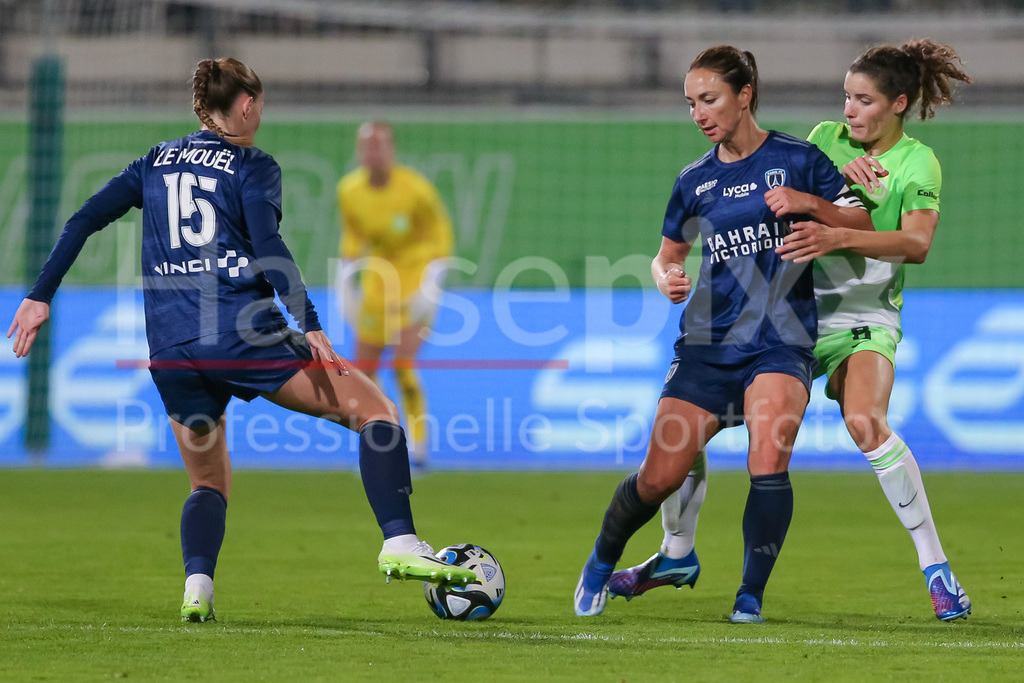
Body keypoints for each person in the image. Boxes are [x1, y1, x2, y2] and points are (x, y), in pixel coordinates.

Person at [7, 58, 474, 624]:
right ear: (247, 104)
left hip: (172, 346)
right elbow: (268, 245)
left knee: (208, 480)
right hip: (240, 333)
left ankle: (196, 590)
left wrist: (40, 295)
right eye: (261, 103)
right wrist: (310, 320)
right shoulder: (252, 165)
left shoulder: (156, 160)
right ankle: (400, 541)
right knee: (375, 411)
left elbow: (84, 217)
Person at [609, 39, 973, 622]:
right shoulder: (823, 141)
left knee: (865, 422)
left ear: (899, 104)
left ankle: (937, 569)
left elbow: (916, 244)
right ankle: (676, 553)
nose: (850, 111)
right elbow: (791, 191)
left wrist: (835, 229)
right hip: (791, 314)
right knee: (688, 425)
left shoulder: (917, 162)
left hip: (862, 315)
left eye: (864, 101)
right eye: (846, 98)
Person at [573, 45, 872, 623]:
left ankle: (749, 597)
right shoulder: (694, 182)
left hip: (780, 342)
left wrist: (810, 204)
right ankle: (601, 560)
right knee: (658, 479)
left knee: (768, 459)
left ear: (745, 95)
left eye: (708, 99)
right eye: (690, 103)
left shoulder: (798, 158)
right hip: (708, 347)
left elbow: (860, 221)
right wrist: (667, 277)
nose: (698, 113)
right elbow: (665, 257)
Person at [335, 122, 454, 468]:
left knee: (403, 364)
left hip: (415, 282)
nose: (374, 152)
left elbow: (440, 234)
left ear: (393, 150)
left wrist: (433, 280)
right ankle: (377, 443)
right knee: (363, 373)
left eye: (381, 145)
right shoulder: (349, 191)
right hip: (376, 283)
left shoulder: (416, 191)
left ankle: (418, 444)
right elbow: (353, 237)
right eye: (367, 146)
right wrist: (345, 282)